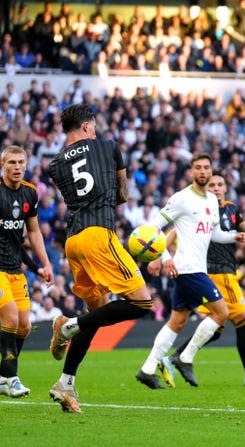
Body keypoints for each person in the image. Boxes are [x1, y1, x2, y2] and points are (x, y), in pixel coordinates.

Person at [48, 104, 155, 413]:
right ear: (86, 127)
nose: (94, 131)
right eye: (92, 126)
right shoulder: (107, 146)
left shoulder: (55, 164)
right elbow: (121, 194)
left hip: (73, 242)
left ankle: (65, 383)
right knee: (141, 303)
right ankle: (66, 326)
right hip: (98, 234)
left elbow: (76, 195)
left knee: (96, 311)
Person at [155, 169, 245, 388]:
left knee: (216, 328)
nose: (216, 188)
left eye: (220, 184)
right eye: (212, 185)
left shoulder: (232, 209)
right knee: (242, 319)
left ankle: (174, 358)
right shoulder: (198, 206)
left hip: (227, 270)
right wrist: (160, 255)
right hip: (213, 271)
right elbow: (174, 231)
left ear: (226, 188)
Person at [136, 154, 245, 389]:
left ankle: (147, 369)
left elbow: (214, 234)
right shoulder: (181, 199)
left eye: (207, 168)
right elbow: (152, 229)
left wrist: (234, 236)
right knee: (221, 313)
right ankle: (185, 357)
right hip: (188, 269)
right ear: (192, 172)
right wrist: (165, 258)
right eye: (198, 168)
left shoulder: (210, 200)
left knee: (176, 322)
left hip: (196, 269)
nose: (203, 172)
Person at [0, 145, 53, 398]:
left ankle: (2, 376)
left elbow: (32, 232)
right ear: (3, 165)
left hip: (15, 268)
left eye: (21, 162)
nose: (17, 167)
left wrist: (43, 265)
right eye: (12, 162)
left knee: (24, 327)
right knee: (9, 319)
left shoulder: (30, 194)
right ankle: (12, 378)